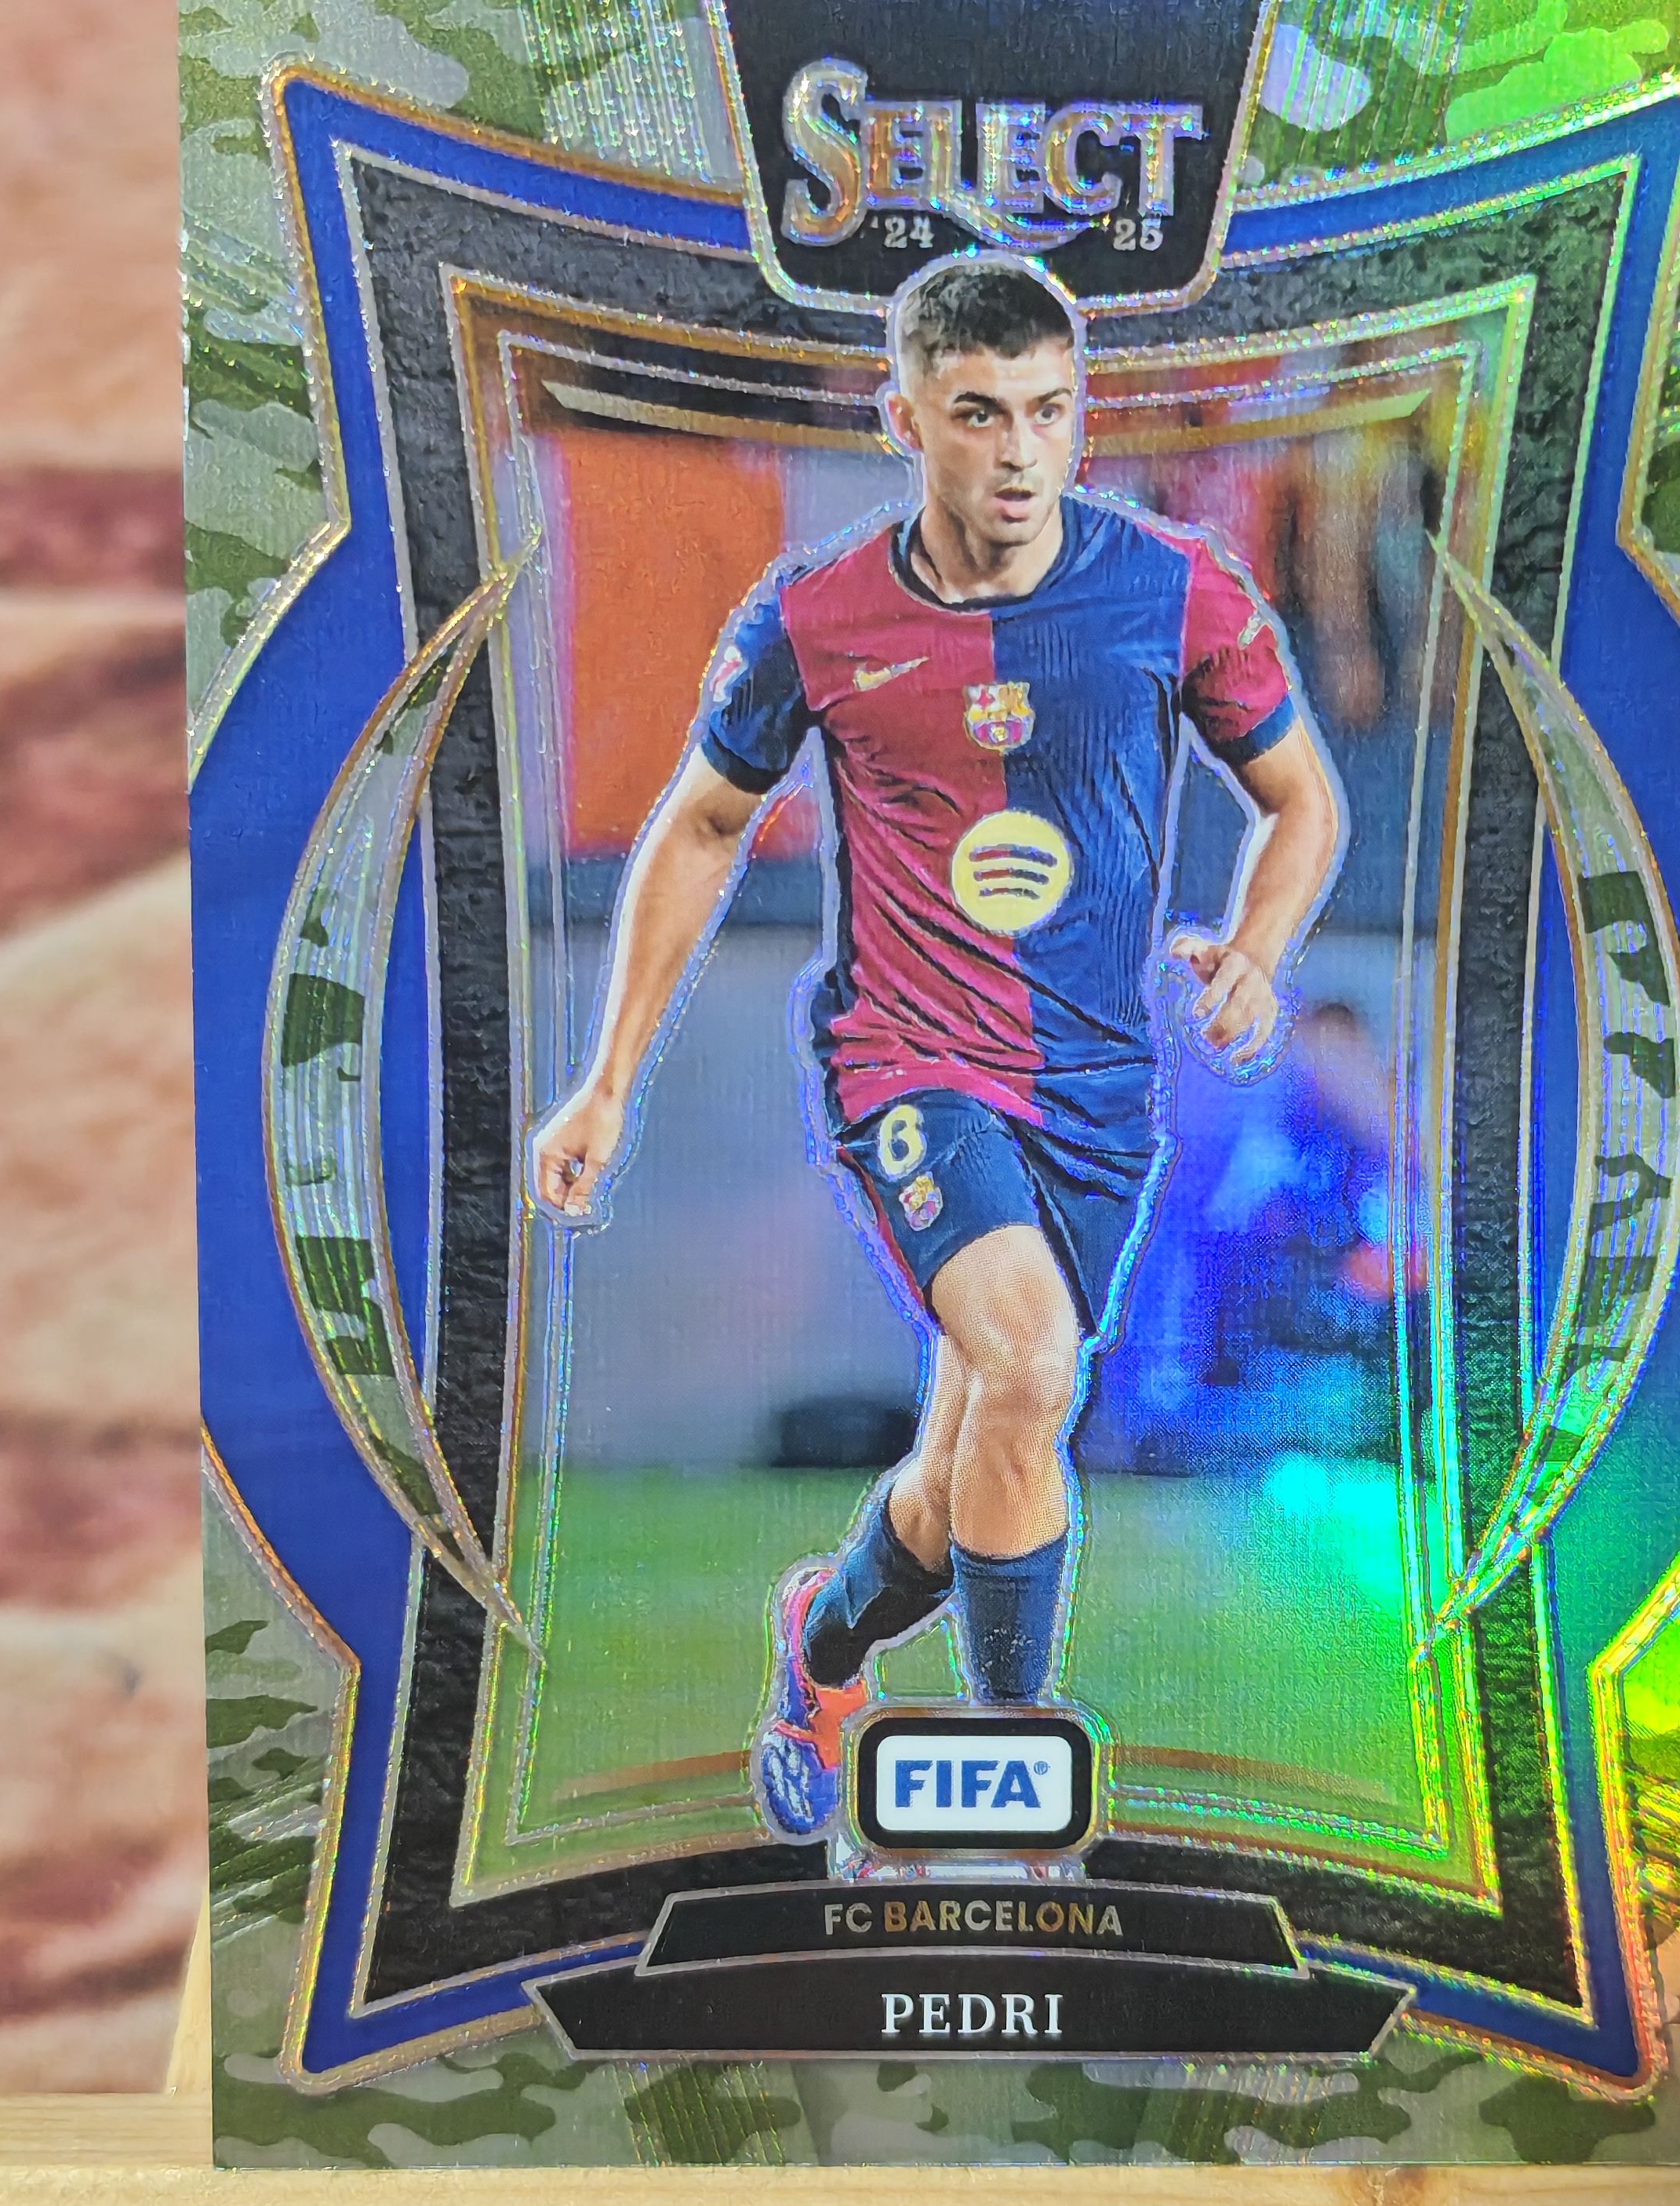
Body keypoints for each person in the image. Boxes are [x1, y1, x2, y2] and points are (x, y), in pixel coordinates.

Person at [531, 254, 1342, 1837]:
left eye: (1051, 411)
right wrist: (608, 1081)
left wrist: (1256, 949)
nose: (1023, 453)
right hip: (907, 1063)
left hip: (1097, 1098)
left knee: (979, 1440)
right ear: (902, 419)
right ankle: (1009, 1789)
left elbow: (1302, 799)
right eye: (980, 415)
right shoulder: (816, 616)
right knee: (1032, 1366)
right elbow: (700, 826)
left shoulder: (1176, 589)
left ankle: (822, 1642)